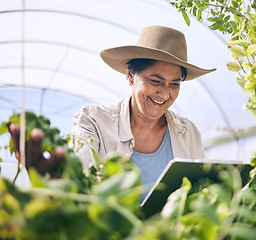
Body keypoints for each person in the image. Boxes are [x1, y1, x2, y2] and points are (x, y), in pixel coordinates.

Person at [71, 25, 216, 187]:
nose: (164, 94)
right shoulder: (94, 122)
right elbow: (79, 184)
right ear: (131, 76)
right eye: (156, 81)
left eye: (174, 84)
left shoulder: (189, 133)